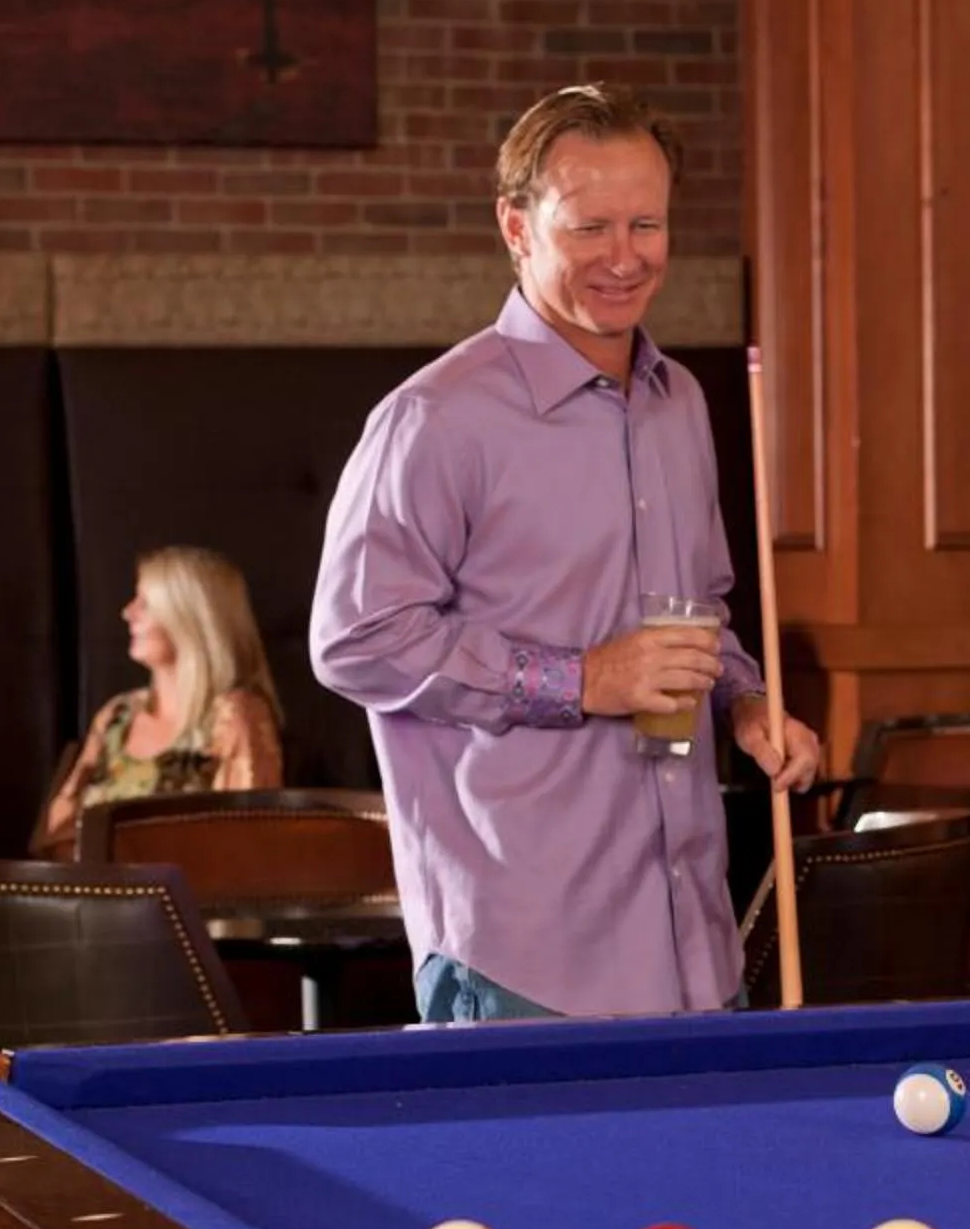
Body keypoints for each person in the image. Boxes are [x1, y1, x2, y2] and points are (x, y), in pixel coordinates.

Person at [311, 81, 821, 1022]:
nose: (624, 259)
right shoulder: (435, 419)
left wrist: (745, 702)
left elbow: (698, 613)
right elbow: (356, 641)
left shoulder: (682, 405)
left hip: (693, 942)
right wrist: (580, 678)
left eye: (647, 225)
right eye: (590, 228)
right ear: (516, 227)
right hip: (524, 960)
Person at [35, 545, 288, 858]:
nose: (128, 613)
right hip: (88, 898)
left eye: (146, 603)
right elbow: (55, 834)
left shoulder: (236, 715)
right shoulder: (118, 714)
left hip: (184, 904)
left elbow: (243, 843)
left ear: (189, 617)